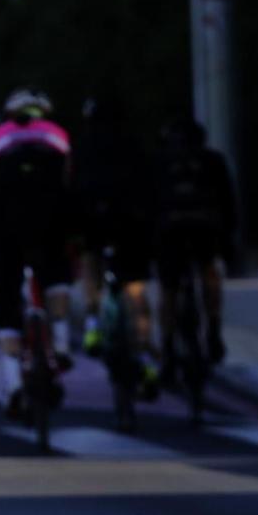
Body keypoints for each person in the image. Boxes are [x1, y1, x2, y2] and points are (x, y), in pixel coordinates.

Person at [0, 88, 75, 420]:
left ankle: (14, 384)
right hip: (49, 225)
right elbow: (72, 190)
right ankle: (60, 343)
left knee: (5, 306)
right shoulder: (58, 138)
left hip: (5, 231)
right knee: (56, 276)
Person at [75, 95, 159, 395]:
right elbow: (150, 186)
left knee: (90, 261)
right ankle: (147, 356)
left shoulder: (83, 146)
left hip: (94, 220)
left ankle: (93, 323)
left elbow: (71, 188)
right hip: (130, 223)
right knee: (135, 287)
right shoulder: (134, 145)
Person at [152, 117, 239, 367]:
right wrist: (228, 241)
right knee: (209, 271)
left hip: (169, 231)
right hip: (206, 229)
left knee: (168, 288)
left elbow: (149, 203)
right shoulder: (213, 161)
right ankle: (213, 330)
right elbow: (229, 203)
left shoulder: (160, 162)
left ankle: (167, 344)